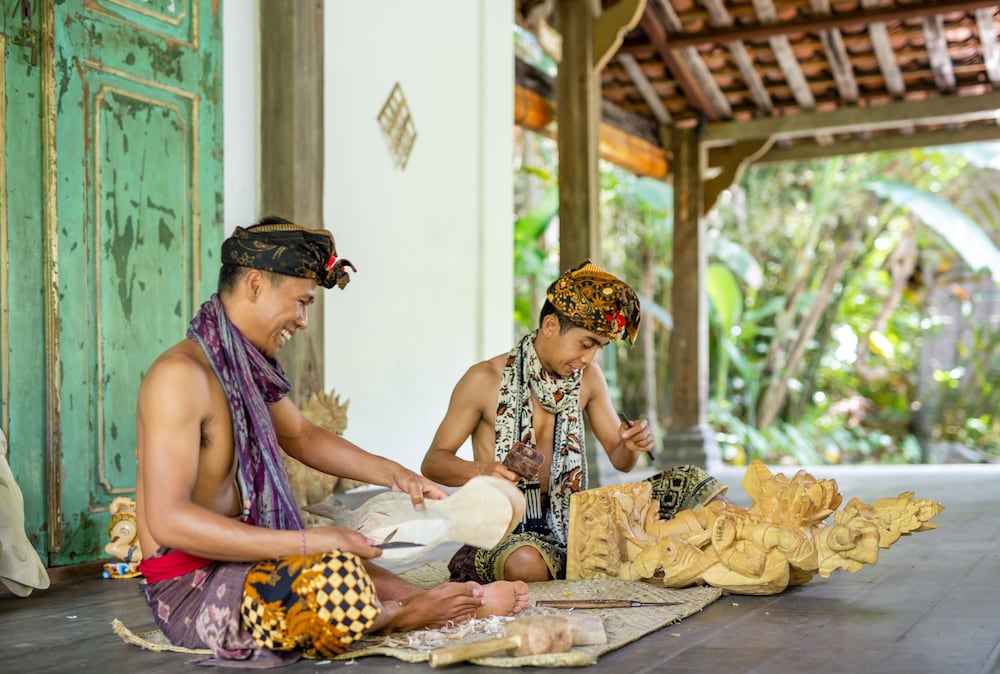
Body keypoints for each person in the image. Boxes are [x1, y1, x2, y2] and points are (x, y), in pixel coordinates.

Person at [134, 218, 528, 667]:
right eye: (301, 302)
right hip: (195, 588)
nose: (302, 321)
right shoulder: (179, 377)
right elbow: (167, 521)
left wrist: (395, 473)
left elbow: (301, 434)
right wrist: (304, 542)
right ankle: (402, 616)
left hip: (246, 559)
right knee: (329, 570)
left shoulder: (245, 366)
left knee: (347, 562)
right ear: (256, 284)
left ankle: (432, 600)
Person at [421, 259, 728, 584]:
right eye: (586, 344)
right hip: (509, 526)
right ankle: (616, 558)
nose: (589, 359)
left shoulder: (589, 378)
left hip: (578, 519)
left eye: (598, 348)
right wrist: (485, 470)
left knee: (695, 485)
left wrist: (630, 445)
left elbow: (621, 461)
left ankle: (599, 557)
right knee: (525, 563)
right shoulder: (484, 380)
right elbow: (434, 462)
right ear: (551, 326)